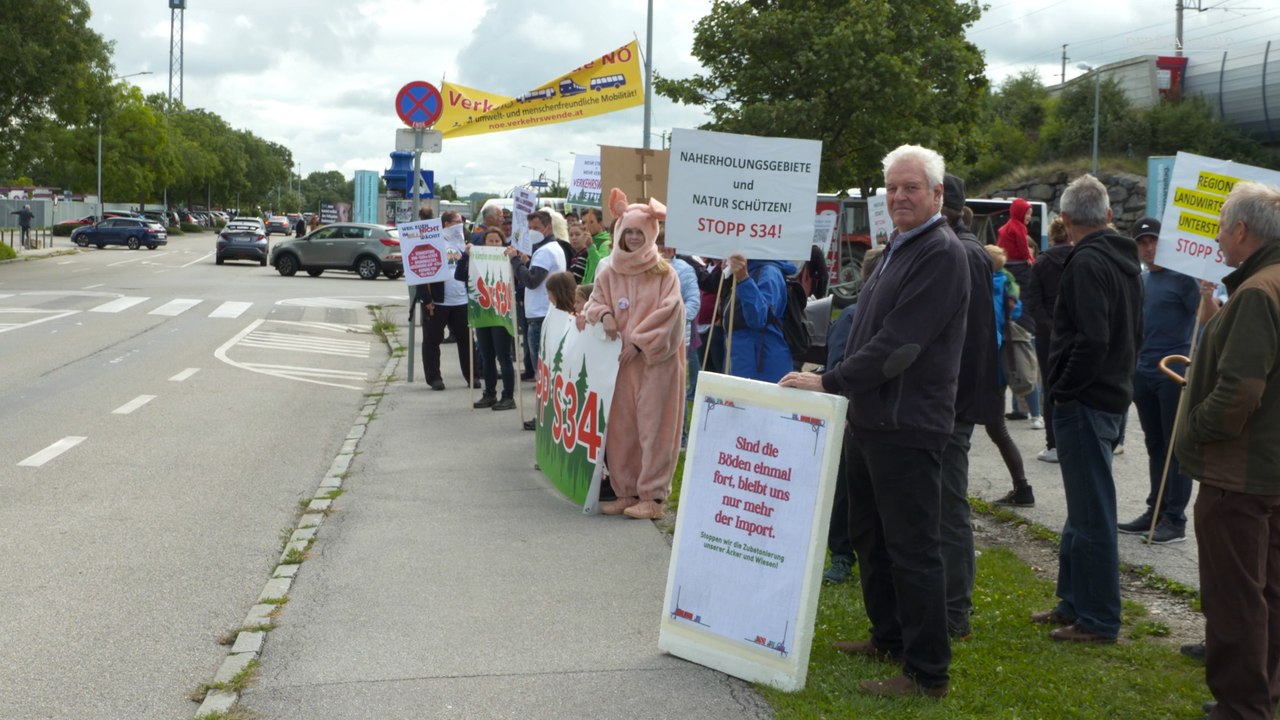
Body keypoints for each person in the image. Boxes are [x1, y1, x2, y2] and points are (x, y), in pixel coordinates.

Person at [781, 144, 970, 699]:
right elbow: (869, 330)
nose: (899, 197)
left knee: (913, 549)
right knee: (872, 538)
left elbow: (900, 345)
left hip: (907, 425)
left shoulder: (940, 252)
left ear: (937, 194)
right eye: (892, 188)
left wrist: (831, 382)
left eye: (911, 187)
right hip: (871, 420)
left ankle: (927, 672)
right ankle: (887, 636)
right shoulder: (899, 247)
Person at [1174, 181, 1280, 720]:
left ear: (1241, 229)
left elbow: (1240, 389)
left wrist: (1195, 427)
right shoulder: (1268, 282)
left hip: (1239, 474)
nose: (1216, 238)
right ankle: (1260, 695)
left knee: (1235, 597)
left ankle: (1241, 707)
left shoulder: (1259, 291)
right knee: (1267, 592)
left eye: (1220, 227)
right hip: (1266, 469)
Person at [1031, 174, 1142, 645]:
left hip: (1087, 400)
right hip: (1111, 394)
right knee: (1082, 507)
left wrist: (1063, 389)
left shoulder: (1086, 262)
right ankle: (1073, 601)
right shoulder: (1126, 260)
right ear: (1109, 215)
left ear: (1065, 219)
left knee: (1092, 511)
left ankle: (1098, 618)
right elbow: (1132, 333)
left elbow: (1092, 339)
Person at [578, 189, 685, 520]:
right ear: (620, 234)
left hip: (655, 363)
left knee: (655, 428)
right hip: (619, 364)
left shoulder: (664, 272)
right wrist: (605, 315)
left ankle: (652, 496)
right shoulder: (609, 271)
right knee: (621, 428)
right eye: (629, 232)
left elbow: (672, 312)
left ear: (651, 233)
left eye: (640, 232)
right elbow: (594, 301)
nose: (635, 238)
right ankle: (626, 491)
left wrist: (639, 342)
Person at [937, 173, 1000, 638]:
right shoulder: (952, 246)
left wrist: (955, 404)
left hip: (951, 404)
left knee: (949, 507)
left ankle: (955, 611)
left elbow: (973, 338)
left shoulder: (963, 253)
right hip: (944, 401)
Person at [1115, 217, 1201, 545]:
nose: (1149, 248)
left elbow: (1206, 320)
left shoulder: (1185, 280)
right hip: (1143, 372)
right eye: (1142, 242)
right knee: (1155, 446)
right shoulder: (1142, 280)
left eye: (1154, 241)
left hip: (1173, 373)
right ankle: (1156, 510)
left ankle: (1175, 519)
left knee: (1175, 447)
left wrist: (1208, 294)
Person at [821, 246, 883, 586]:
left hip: (883, 420)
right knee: (845, 490)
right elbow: (836, 368)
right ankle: (841, 555)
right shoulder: (851, 316)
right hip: (851, 418)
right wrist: (843, 406)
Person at [984, 244, 1036, 508]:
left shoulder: (984, 289)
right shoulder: (1006, 285)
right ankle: (1022, 487)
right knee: (997, 429)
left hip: (986, 366)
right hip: (1001, 365)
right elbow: (1015, 313)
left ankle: (1023, 488)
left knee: (962, 431)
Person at [507, 210, 567, 430]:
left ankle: (543, 417)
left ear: (548, 228)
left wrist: (515, 261)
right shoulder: (555, 248)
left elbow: (532, 281)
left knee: (543, 371)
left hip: (540, 315)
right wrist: (526, 261)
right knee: (549, 369)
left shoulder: (544, 252)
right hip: (548, 313)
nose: (532, 232)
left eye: (536, 228)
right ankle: (550, 415)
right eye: (530, 228)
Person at [1025, 216, 1072, 463]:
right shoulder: (1080, 257)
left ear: (1052, 236)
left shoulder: (1041, 262)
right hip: (1075, 332)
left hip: (1048, 335)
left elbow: (1033, 300)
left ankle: (1053, 444)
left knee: (1050, 386)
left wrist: (1048, 327)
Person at [456, 227, 516, 411]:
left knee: (503, 356)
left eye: (497, 241)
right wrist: (466, 256)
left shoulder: (508, 257)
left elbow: (520, 280)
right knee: (487, 356)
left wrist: (514, 259)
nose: (494, 244)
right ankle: (489, 393)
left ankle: (508, 396)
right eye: (490, 241)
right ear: (484, 243)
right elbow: (459, 276)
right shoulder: (477, 258)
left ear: (503, 243)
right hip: (482, 311)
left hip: (502, 313)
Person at [416, 211, 473, 391]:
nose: (460, 225)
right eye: (457, 221)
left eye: (462, 221)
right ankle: (434, 378)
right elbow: (420, 270)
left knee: (467, 340)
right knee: (432, 341)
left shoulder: (464, 242)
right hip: (437, 302)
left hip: (461, 301)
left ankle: (472, 375)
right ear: (447, 224)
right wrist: (426, 298)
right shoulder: (433, 241)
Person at [723, 251, 796, 383]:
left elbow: (759, 318)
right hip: (748, 361)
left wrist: (743, 279)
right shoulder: (754, 270)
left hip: (761, 367)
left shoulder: (769, 273)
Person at [580, 207, 612, 283]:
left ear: (600, 224)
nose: (585, 226)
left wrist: (591, 247)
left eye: (591, 222)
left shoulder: (606, 243)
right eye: (583, 223)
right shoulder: (590, 242)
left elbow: (600, 267)